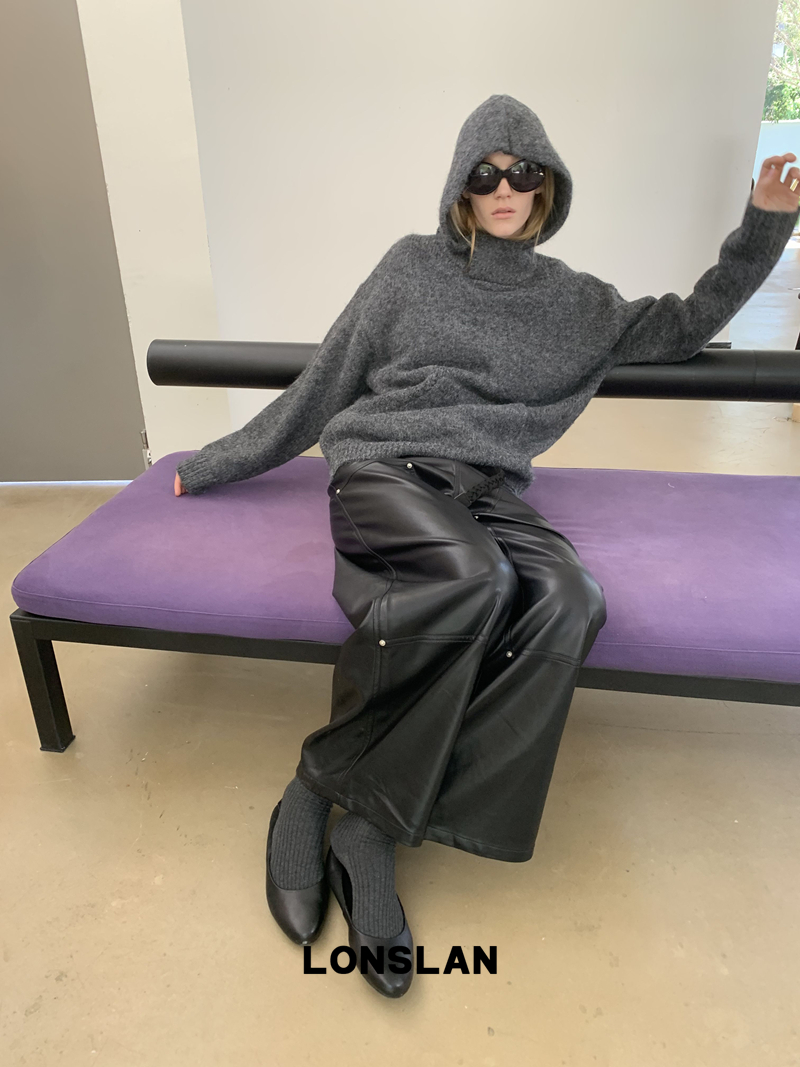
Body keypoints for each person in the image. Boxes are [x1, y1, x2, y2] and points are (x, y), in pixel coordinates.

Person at [174, 94, 800, 998]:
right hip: (386, 470)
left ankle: (370, 824)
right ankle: (314, 785)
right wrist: (217, 462)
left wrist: (763, 226)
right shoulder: (410, 268)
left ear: (547, 186)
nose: (504, 188)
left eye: (523, 172)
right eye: (485, 173)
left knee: (570, 599)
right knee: (478, 579)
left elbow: (686, 322)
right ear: (460, 188)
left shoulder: (575, 303)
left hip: (486, 490)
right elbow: (323, 382)